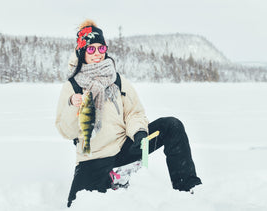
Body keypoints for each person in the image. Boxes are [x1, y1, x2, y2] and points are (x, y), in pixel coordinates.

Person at [55, 19, 202, 208]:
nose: (97, 53)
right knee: (78, 204)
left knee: (172, 126)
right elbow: (66, 131)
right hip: (93, 158)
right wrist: (72, 105)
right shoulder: (72, 86)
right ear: (82, 51)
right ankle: (114, 176)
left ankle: (188, 188)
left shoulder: (118, 80)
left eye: (101, 48)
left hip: (126, 148)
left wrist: (139, 133)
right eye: (91, 49)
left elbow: (134, 113)